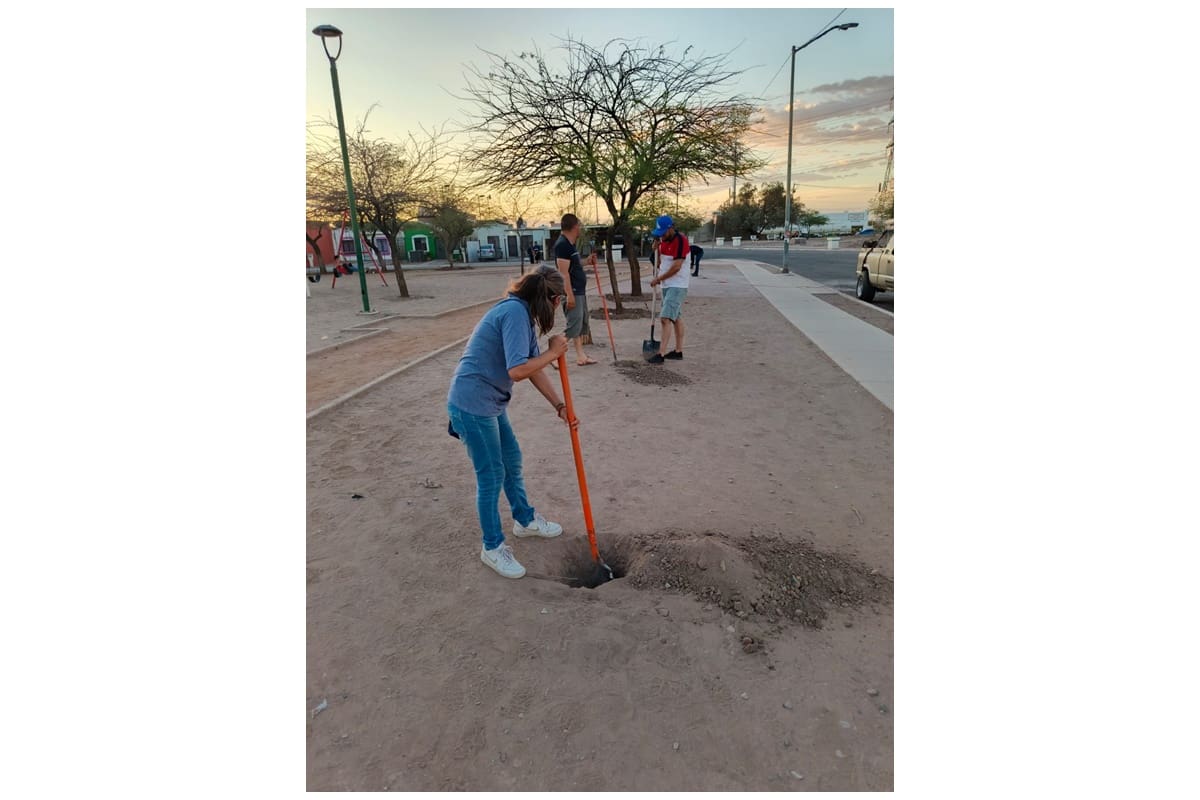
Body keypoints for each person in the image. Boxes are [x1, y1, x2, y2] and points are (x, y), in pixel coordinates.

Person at [447, 265, 571, 579]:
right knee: (491, 476)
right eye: (560, 302)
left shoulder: (521, 315)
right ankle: (492, 547)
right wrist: (554, 353)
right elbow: (518, 370)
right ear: (551, 299)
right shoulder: (514, 313)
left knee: (511, 459)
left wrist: (558, 404)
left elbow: (531, 368)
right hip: (473, 405)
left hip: (489, 401)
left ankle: (524, 519)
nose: (558, 309)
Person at [554, 213, 599, 366]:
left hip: (579, 290)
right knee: (573, 326)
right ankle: (552, 355)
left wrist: (586, 261)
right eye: (579, 225)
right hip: (572, 291)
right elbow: (563, 272)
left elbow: (573, 265)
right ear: (574, 227)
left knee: (579, 325)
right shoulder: (562, 245)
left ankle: (581, 356)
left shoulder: (569, 244)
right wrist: (569, 295)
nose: (580, 228)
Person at [647, 214, 690, 363]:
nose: (662, 236)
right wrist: (656, 251)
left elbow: (676, 267)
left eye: (664, 233)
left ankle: (661, 354)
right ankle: (678, 351)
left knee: (665, 318)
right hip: (667, 285)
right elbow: (660, 265)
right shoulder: (662, 243)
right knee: (675, 317)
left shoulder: (681, 241)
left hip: (677, 285)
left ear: (671, 228)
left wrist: (658, 279)